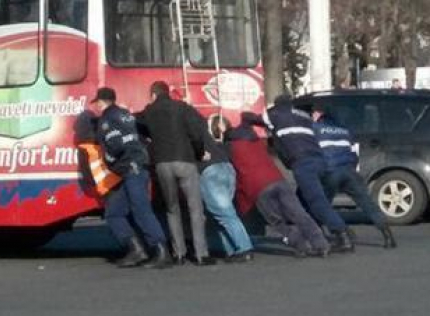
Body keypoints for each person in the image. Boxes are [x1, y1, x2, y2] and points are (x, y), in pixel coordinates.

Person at [243, 95, 354, 253]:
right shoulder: (302, 116)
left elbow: (252, 118)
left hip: (303, 164)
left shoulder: (275, 115)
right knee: (302, 201)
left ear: (277, 105)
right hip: (320, 160)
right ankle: (312, 234)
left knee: (317, 201)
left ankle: (343, 235)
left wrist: (244, 117)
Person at [87, 87, 171, 269]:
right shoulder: (126, 114)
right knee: (114, 212)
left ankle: (161, 251)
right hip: (138, 166)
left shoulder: (107, 120)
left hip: (130, 168)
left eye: (98, 103)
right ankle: (137, 251)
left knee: (141, 210)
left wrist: (110, 162)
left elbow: (114, 144)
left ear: (101, 102)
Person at [225, 119, 330, 257]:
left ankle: (299, 244)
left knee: (277, 221)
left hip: (258, 187)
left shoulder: (230, 148)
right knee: (299, 213)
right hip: (277, 179)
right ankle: (320, 243)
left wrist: (243, 204)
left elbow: (237, 176)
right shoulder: (255, 141)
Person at [137, 81, 215, 266]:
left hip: (162, 163)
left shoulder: (149, 112)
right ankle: (201, 254)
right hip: (185, 160)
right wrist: (198, 152)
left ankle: (179, 253)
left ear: (153, 95)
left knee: (172, 209)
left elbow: (137, 124)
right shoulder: (182, 107)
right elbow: (196, 133)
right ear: (168, 93)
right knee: (195, 208)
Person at [311, 106, 397, 249]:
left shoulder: (315, 128)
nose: (312, 115)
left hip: (330, 171)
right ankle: (387, 236)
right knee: (366, 203)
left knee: (322, 205)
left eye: (314, 113)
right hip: (349, 171)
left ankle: (339, 235)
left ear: (320, 116)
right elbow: (353, 151)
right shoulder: (344, 130)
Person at [193, 113, 254, 263]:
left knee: (225, 214)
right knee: (220, 214)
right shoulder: (220, 142)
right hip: (227, 169)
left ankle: (244, 248)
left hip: (210, 171)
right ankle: (231, 248)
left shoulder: (195, 135)